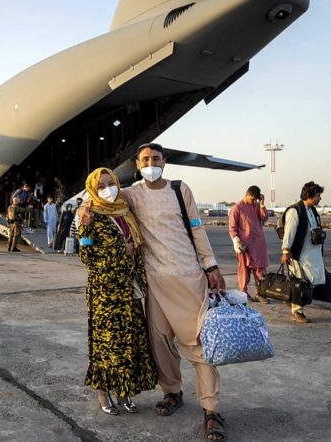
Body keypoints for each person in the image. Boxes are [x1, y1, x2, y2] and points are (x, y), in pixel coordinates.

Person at [82, 143, 228, 441]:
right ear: (137, 164)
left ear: (165, 161)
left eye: (156, 159)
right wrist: (85, 206)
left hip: (188, 277)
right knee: (160, 343)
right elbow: (99, 191)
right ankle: (172, 392)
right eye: (145, 159)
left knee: (199, 346)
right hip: (155, 283)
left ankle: (211, 409)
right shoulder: (133, 194)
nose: (151, 163)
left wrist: (211, 266)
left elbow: (197, 228)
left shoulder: (179, 189)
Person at [78, 167, 157, 415]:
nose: (107, 189)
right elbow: (87, 256)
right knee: (107, 345)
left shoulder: (125, 212)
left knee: (129, 344)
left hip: (129, 291)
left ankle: (124, 391)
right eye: (100, 186)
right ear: (92, 189)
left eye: (110, 183)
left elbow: (138, 248)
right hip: (105, 293)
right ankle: (103, 391)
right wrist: (124, 253)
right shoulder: (89, 217)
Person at [280, 181, 326, 324]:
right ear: (310, 195)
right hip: (300, 254)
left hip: (313, 253)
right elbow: (289, 232)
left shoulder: (312, 210)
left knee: (315, 278)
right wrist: (286, 250)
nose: (320, 199)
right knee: (301, 282)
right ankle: (296, 311)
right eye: (318, 195)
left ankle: (291, 298)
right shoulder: (295, 211)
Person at [228, 185, 270, 304]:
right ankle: (243, 292)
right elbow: (232, 228)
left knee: (260, 271)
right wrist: (236, 241)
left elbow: (264, 218)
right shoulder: (237, 208)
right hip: (244, 246)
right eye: (251, 199)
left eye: (255, 200)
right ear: (246, 195)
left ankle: (260, 293)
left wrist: (262, 204)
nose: (253, 201)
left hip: (258, 244)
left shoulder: (256, 205)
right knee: (244, 270)